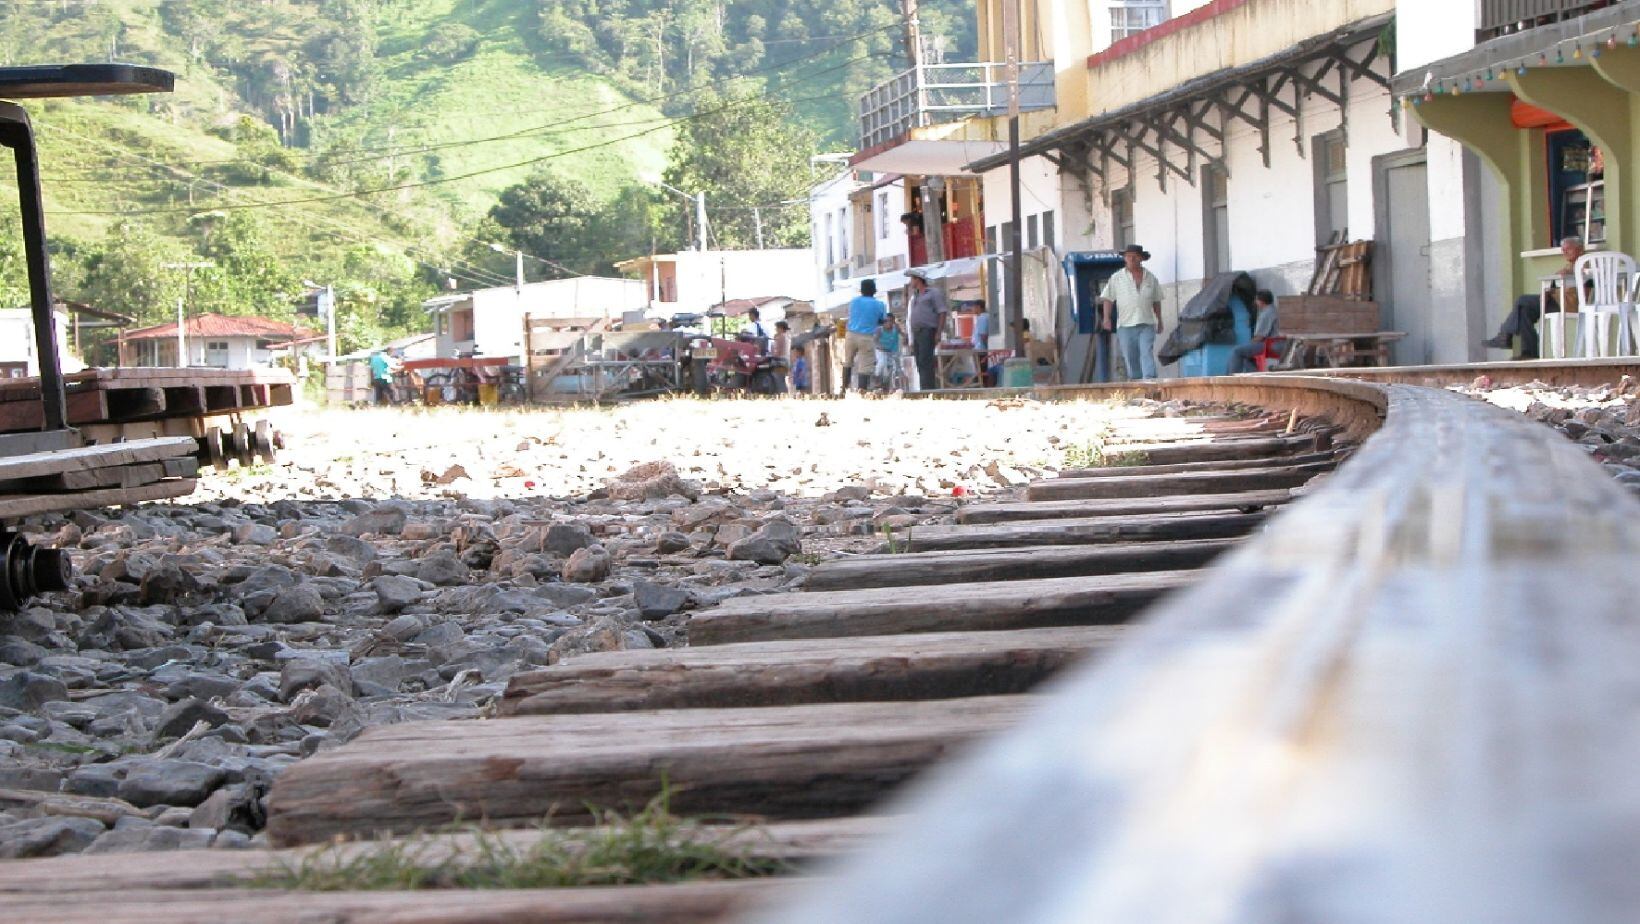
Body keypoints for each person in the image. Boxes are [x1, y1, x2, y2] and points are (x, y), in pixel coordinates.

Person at [1484, 235, 1587, 358]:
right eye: (1563, 249)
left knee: (1522, 301)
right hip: (1557, 302)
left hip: (1568, 304)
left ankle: (1506, 336)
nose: (1564, 252)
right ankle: (1526, 352)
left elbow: (1582, 277)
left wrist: (1567, 274)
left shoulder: (1586, 263)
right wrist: (1547, 293)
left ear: (1580, 249)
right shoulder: (1569, 266)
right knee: (1524, 311)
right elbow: (1555, 283)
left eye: (1568, 249)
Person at [1099, 243, 1164, 380]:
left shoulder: (1150, 278)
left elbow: (1156, 300)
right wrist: (1106, 318)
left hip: (1147, 322)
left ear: (1141, 258)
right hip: (1125, 324)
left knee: (1146, 352)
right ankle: (1136, 381)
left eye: (1135, 257)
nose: (1131, 259)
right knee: (1130, 356)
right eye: (1128, 256)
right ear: (1125, 259)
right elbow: (1108, 298)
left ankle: (1150, 380)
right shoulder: (1117, 278)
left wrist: (1160, 320)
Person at [907, 267, 949, 390]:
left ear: (918, 279)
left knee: (926, 361)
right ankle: (924, 387)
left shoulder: (933, 293)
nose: (911, 282)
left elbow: (942, 312)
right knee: (919, 362)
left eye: (912, 279)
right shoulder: (915, 296)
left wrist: (938, 332)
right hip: (917, 332)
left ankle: (928, 389)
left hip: (927, 331)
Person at [843, 279, 886, 391]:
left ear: (861, 291)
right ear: (874, 291)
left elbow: (850, 315)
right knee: (865, 367)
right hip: (866, 337)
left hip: (851, 335)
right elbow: (882, 321)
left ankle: (844, 388)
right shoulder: (879, 304)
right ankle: (861, 391)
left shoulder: (853, 302)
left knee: (848, 361)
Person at [1228, 290, 1282, 374]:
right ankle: (1254, 376)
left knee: (1237, 351)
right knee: (1246, 357)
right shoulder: (1274, 310)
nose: (1255, 302)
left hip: (1270, 345)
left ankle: (1231, 379)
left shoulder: (1266, 314)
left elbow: (1259, 337)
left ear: (1261, 301)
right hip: (1278, 343)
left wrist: (1249, 343)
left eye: (1256, 300)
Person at [874, 314, 903, 392]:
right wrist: (880, 347)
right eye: (886, 321)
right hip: (881, 351)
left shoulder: (896, 329)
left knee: (892, 369)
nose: (888, 323)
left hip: (892, 351)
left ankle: (887, 385)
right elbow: (875, 341)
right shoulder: (879, 330)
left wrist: (903, 334)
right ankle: (877, 379)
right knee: (882, 363)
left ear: (893, 321)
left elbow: (903, 335)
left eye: (890, 321)